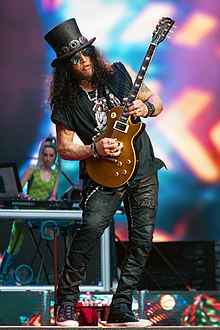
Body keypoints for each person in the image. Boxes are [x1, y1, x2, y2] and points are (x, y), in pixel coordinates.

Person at [44, 18, 165, 327]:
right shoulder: (66, 103)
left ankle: (122, 308)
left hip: (143, 170)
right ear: (66, 66)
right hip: (103, 175)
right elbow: (65, 148)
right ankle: (66, 306)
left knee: (141, 241)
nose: (83, 61)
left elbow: (155, 100)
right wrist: (95, 149)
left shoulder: (119, 75)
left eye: (86, 53)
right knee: (89, 232)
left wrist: (146, 109)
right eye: (75, 58)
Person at [0, 136, 59, 285]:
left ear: (55, 157)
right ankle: (3, 275)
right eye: (45, 155)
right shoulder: (32, 170)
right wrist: (26, 196)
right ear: (41, 155)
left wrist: (52, 200)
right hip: (26, 209)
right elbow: (18, 189)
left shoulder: (55, 175)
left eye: (51, 155)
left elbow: (53, 196)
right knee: (16, 241)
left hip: (41, 213)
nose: (48, 158)